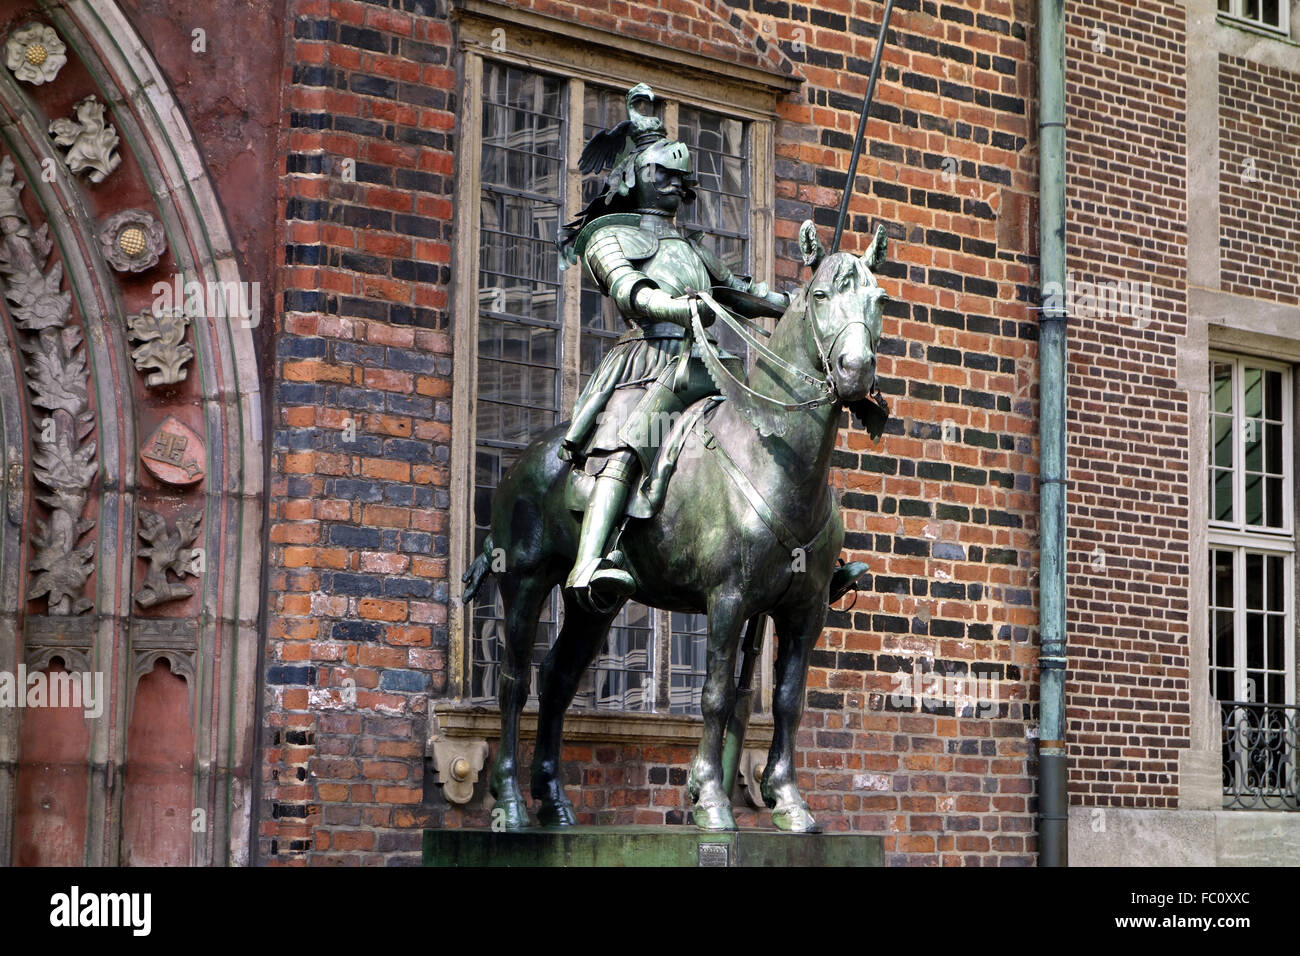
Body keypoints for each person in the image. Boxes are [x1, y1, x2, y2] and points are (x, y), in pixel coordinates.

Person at [556, 86, 788, 613]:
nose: (670, 184)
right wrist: (677, 309)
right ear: (636, 176)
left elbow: (743, 293)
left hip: (705, 367)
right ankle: (589, 559)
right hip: (644, 363)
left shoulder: (692, 249)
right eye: (660, 174)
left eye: (676, 178)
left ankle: (808, 554)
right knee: (630, 441)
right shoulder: (608, 237)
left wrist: (797, 304)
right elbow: (628, 291)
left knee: (776, 436)